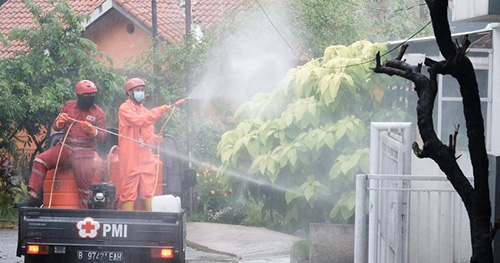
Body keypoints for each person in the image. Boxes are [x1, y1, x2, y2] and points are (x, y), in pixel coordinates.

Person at [15, 80, 107, 208]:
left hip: (84, 154)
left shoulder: (98, 113)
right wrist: (59, 123)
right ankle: (33, 196)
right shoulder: (68, 107)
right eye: (87, 96)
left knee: (84, 191)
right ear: (79, 96)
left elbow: (103, 136)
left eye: (93, 95)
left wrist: (94, 132)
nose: (90, 98)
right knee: (40, 160)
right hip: (65, 148)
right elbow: (56, 127)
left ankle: (84, 217)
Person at [118, 78, 172, 211]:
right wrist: (158, 111)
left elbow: (147, 135)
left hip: (145, 156)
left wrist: (155, 139)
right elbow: (138, 122)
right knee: (128, 191)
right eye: (138, 90)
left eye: (142, 90)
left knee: (148, 190)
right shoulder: (124, 109)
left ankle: (150, 221)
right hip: (130, 155)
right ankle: (127, 223)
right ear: (130, 93)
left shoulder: (144, 110)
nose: (140, 93)